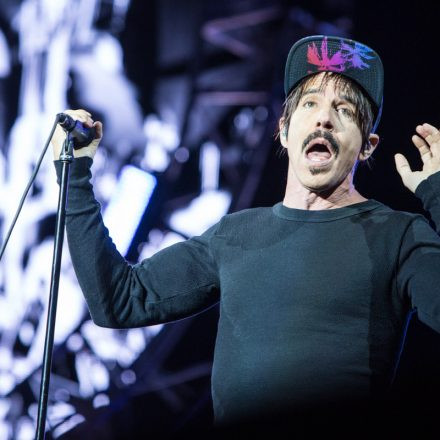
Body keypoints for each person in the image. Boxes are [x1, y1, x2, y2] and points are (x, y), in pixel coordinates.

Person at [51, 35, 440, 436]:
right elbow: (117, 301)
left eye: (344, 110)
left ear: (367, 146)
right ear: (284, 131)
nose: (324, 119)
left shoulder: (398, 236)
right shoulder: (237, 235)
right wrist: (75, 177)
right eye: (310, 104)